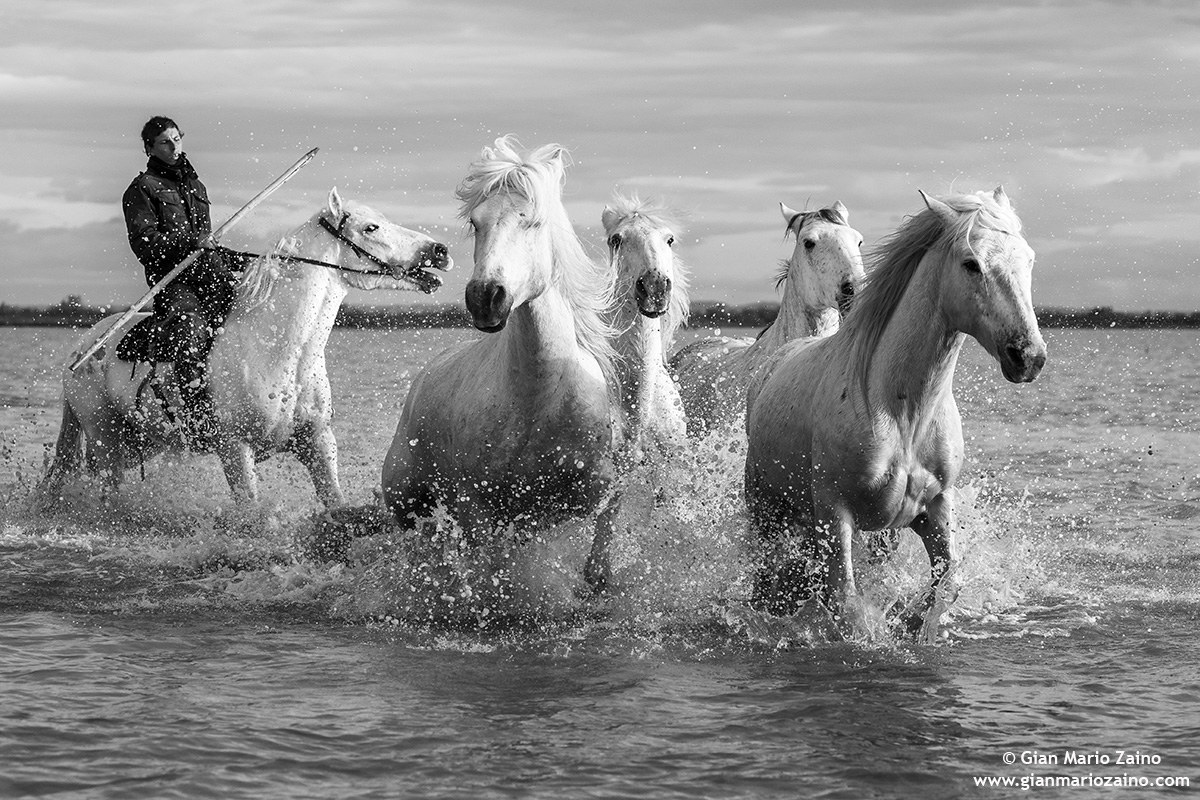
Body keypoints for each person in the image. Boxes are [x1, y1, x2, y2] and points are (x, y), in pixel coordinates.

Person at [121, 116, 246, 447]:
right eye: (165, 142)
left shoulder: (196, 187)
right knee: (191, 335)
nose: (174, 146)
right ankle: (200, 425)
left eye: (177, 138)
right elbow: (144, 244)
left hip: (210, 277)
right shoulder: (141, 189)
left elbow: (206, 241)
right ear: (149, 148)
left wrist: (240, 261)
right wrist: (191, 242)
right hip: (175, 285)